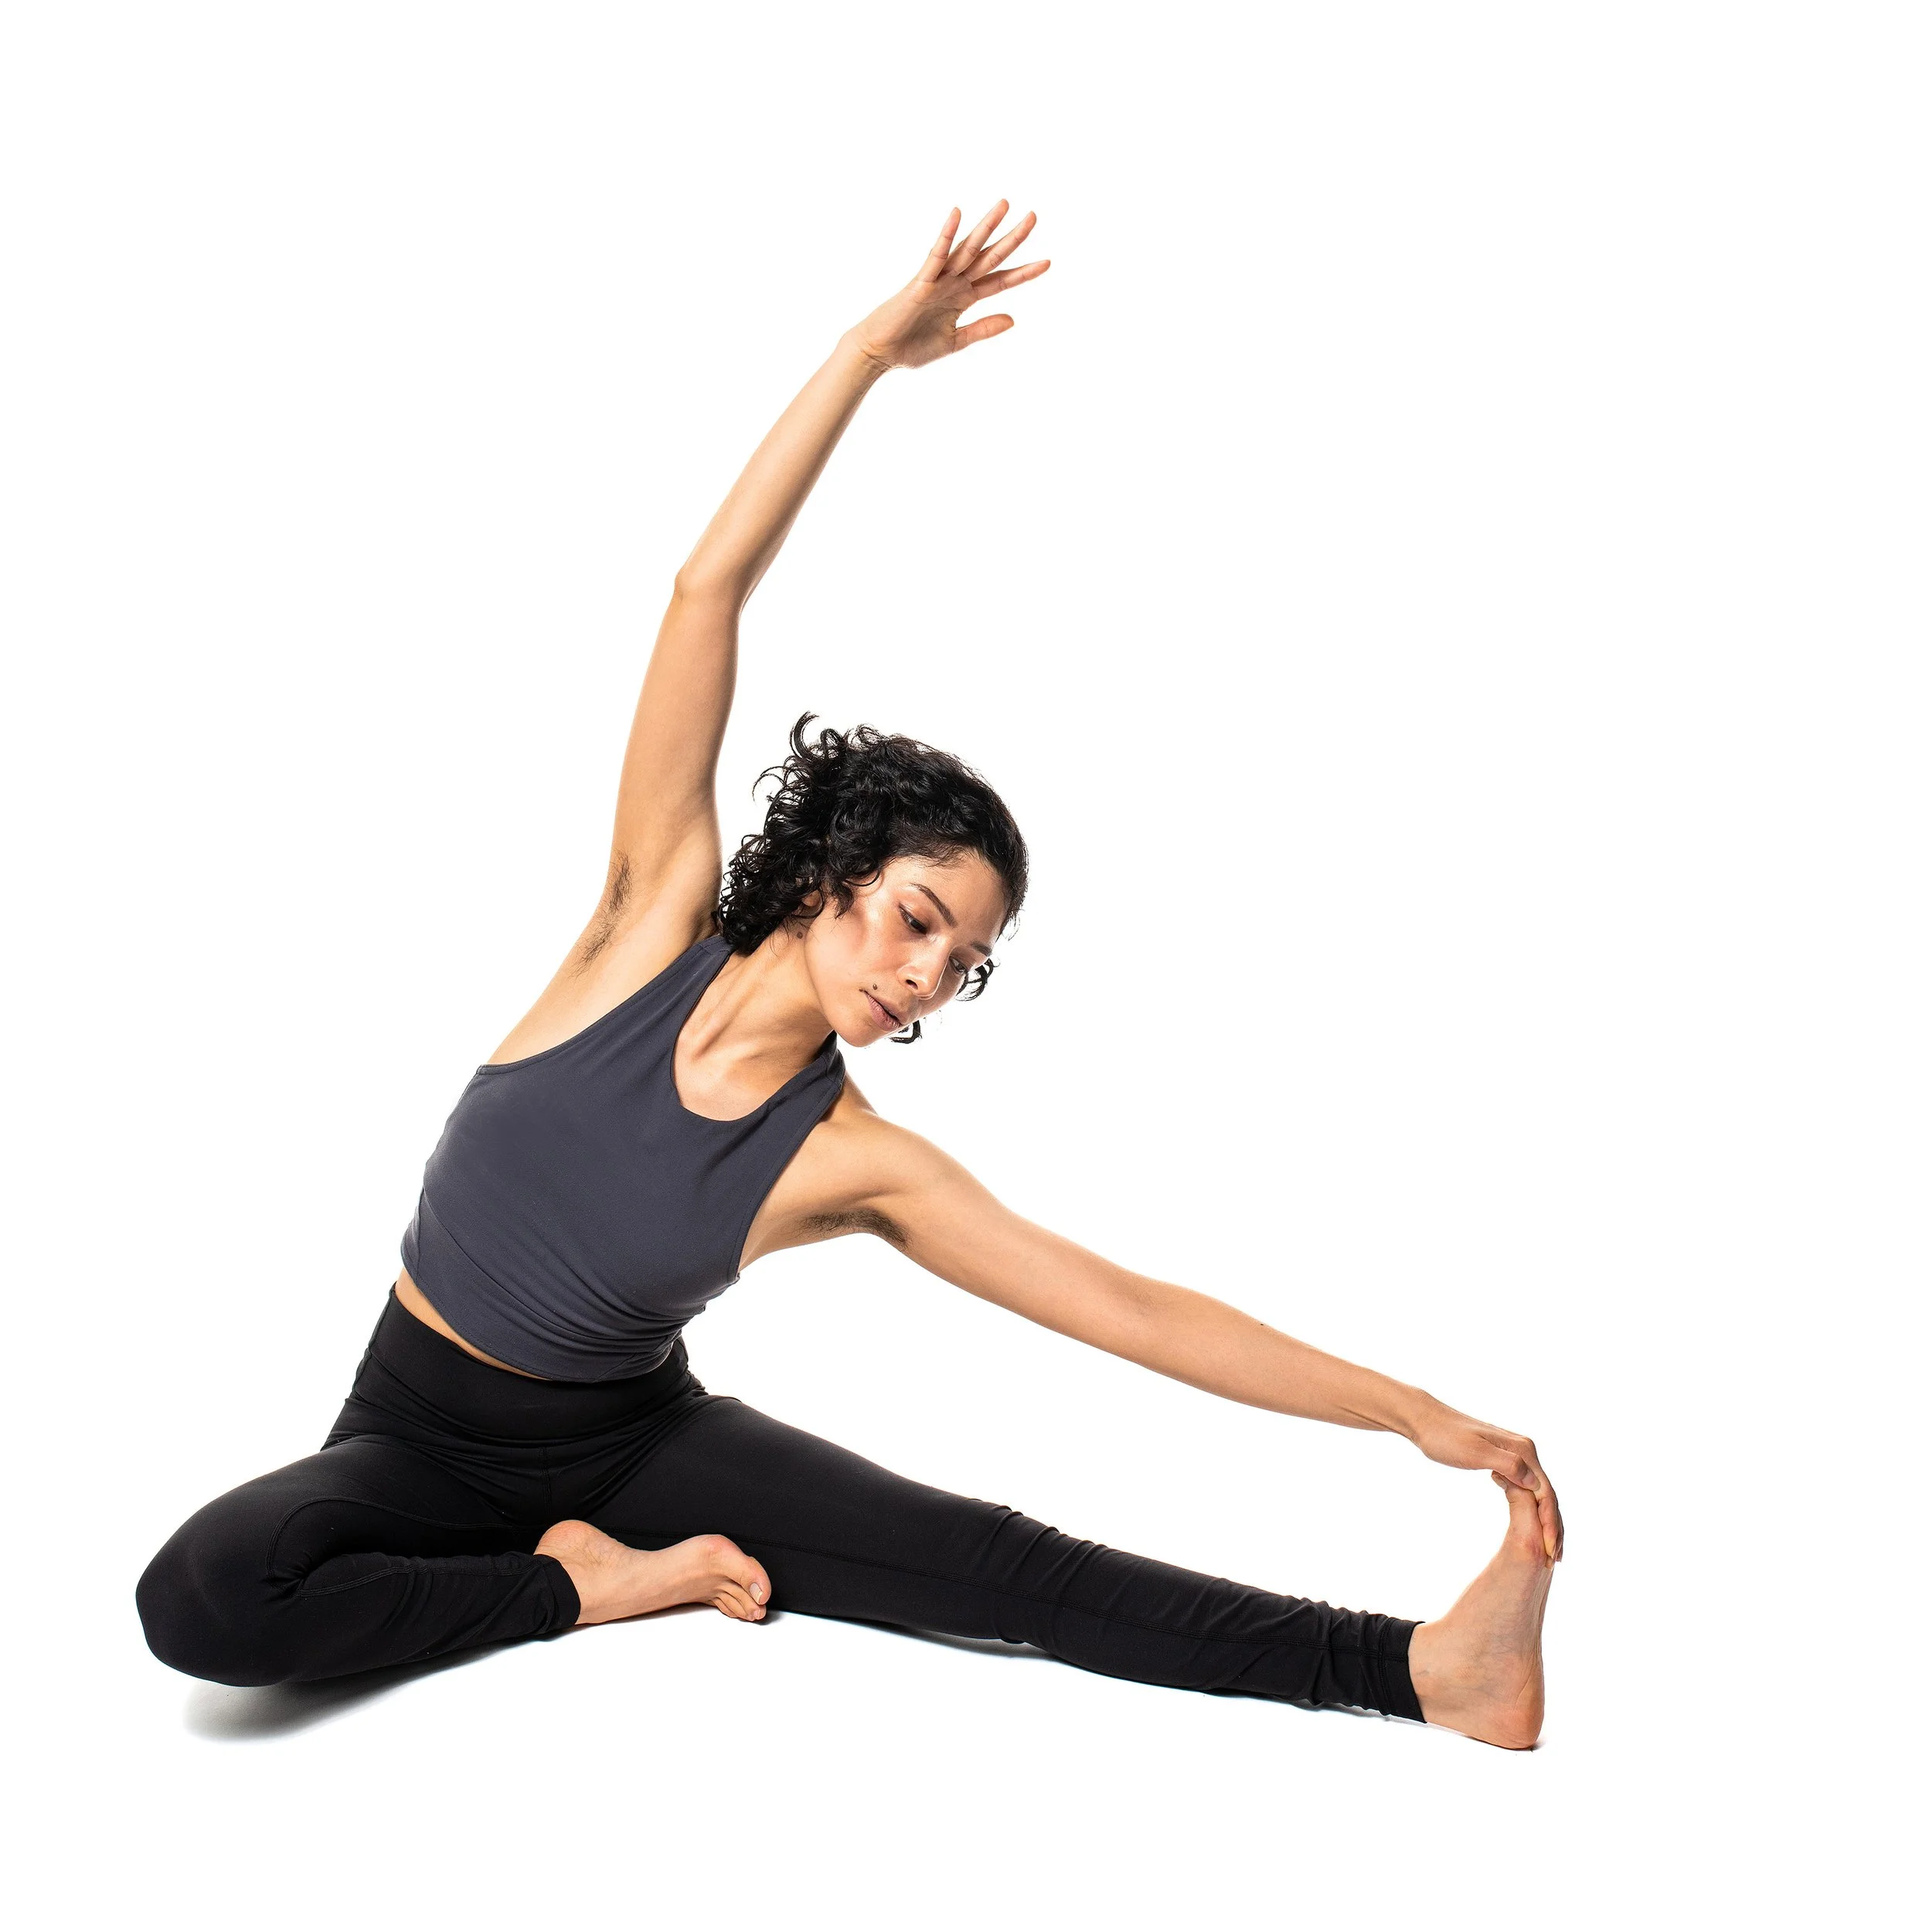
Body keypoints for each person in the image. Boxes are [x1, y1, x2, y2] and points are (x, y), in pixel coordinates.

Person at [137, 201, 1562, 1747]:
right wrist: (863, 359)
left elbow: (1128, 1308)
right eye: (915, 915)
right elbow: (703, 593)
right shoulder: (638, 926)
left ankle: (1422, 1669)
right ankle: (588, 1586)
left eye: (967, 960)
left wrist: (1404, 1408)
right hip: (413, 1432)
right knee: (205, 1601)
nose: (930, 974)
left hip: (635, 1448)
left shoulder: (849, 1157)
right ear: (827, 868)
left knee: (997, 1565)